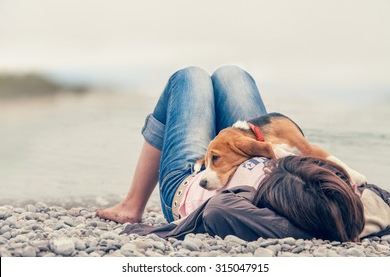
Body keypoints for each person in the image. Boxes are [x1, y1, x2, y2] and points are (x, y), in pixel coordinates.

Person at [97, 66, 390, 242]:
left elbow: (216, 210)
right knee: (232, 74)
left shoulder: (280, 221)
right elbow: (378, 196)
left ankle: (131, 205)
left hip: (189, 185)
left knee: (188, 78)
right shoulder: (355, 208)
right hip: (254, 150)